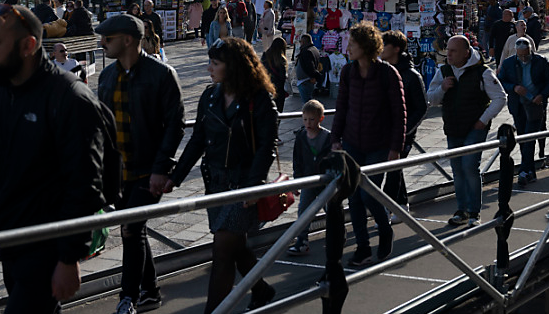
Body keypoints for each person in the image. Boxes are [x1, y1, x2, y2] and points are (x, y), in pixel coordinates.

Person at [0, 4, 110, 313]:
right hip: (9, 237)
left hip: (47, 244)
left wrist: (68, 257)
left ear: (28, 46)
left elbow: (85, 183)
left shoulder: (69, 98)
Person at [166, 38, 278, 312]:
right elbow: (198, 140)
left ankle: (214, 311)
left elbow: (267, 145)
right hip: (215, 181)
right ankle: (262, 289)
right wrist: (175, 176)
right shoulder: (210, 96)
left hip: (243, 184)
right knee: (234, 247)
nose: (209, 68)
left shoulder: (259, 99)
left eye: (215, 63)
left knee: (222, 251)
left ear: (234, 66)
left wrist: (254, 186)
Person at [96, 13, 186, 314]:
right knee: (133, 230)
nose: (102, 44)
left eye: (107, 39)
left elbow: (175, 124)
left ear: (128, 40)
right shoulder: (107, 77)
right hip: (119, 173)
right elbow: (102, 129)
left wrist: (162, 169)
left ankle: (128, 298)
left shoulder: (161, 74)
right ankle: (150, 290)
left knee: (131, 230)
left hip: (149, 169)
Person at [329, 24, 406, 266]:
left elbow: (399, 113)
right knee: (353, 198)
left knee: (368, 194)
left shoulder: (388, 74)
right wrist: (335, 139)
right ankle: (362, 247)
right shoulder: (348, 72)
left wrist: (396, 147)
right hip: (352, 142)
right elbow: (341, 107)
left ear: (366, 46)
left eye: (352, 43)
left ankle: (385, 230)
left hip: (380, 144)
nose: (348, 47)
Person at [427, 35, 506, 227]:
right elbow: (431, 98)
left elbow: (500, 97)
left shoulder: (482, 72)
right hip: (453, 127)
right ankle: (461, 210)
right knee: (457, 169)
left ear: (466, 52)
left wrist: (483, 120)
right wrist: (443, 88)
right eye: (448, 50)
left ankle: (474, 212)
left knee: (470, 167)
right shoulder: (443, 71)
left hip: (474, 127)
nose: (449, 54)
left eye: (454, 51)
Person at [497, 37, 549, 186]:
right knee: (523, 138)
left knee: (529, 138)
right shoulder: (509, 63)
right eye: (521, 55)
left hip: (535, 104)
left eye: (526, 55)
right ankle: (530, 171)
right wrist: (513, 88)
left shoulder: (541, 61)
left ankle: (524, 171)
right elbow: (500, 81)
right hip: (518, 105)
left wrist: (542, 96)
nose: (524, 58)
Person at [381, 30, 428, 216]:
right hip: (384, 131)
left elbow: (422, 107)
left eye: (385, 45)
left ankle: (388, 210)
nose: (381, 49)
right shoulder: (383, 71)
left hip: (402, 134)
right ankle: (401, 206)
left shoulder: (411, 75)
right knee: (395, 169)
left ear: (397, 48)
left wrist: (406, 131)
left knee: (392, 171)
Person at [288, 100, 333, 256]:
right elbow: (297, 160)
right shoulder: (301, 136)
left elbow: (333, 159)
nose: (308, 123)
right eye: (305, 119)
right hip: (308, 179)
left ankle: (336, 235)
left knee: (332, 210)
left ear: (321, 118)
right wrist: (297, 180)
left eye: (312, 119)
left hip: (326, 181)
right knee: (304, 211)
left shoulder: (328, 137)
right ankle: (302, 240)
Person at [261, 36, 290, 111]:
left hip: (266, 87)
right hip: (278, 90)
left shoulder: (265, 55)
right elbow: (282, 77)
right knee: (278, 111)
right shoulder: (281, 59)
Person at [294, 33, 322, 104]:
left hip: (305, 81)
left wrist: (313, 76)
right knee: (308, 101)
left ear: (303, 42)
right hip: (306, 80)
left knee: (307, 103)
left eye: (300, 42)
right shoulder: (314, 49)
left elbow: (310, 66)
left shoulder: (307, 51)